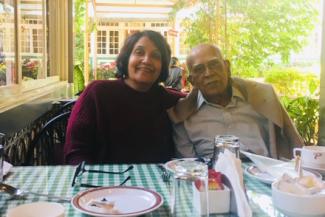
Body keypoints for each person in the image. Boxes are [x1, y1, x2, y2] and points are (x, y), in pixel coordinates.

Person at [64, 30, 196, 164]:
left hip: (156, 182)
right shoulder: (97, 94)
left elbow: (200, 98)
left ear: (163, 65)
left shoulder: (169, 100)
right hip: (102, 181)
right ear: (127, 58)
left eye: (156, 56)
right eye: (139, 52)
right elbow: (76, 151)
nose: (146, 60)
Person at [173, 44, 304, 160]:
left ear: (227, 67)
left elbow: (295, 146)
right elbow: (188, 165)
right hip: (213, 181)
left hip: (264, 177)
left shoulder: (263, 97)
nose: (208, 73)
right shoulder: (182, 115)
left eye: (214, 65)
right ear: (192, 80)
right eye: (199, 69)